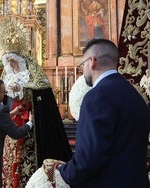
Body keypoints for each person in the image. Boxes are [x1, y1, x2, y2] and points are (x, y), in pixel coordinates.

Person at [54, 39, 150, 187]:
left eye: (82, 64)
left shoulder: (96, 97)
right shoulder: (135, 95)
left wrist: (62, 171)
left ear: (92, 61)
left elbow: (88, 159)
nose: (82, 70)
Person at [1, 52, 72, 187]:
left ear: (21, 61)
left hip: (31, 125)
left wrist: (23, 89)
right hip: (12, 123)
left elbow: (39, 95)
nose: (11, 64)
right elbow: (5, 102)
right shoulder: (7, 77)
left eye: (13, 60)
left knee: (26, 156)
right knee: (10, 156)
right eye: (8, 61)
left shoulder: (32, 76)